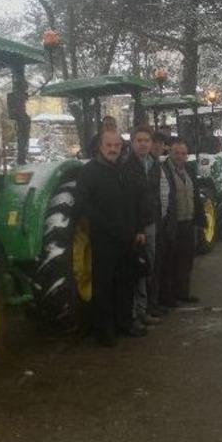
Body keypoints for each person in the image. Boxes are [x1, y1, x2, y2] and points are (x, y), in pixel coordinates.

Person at [76, 130, 147, 346]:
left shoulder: (124, 171)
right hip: (103, 239)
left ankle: (124, 323)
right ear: (100, 146)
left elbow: (135, 202)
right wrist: (105, 226)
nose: (113, 149)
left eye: (116, 145)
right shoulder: (90, 172)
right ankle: (105, 331)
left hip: (128, 238)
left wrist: (139, 229)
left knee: (125, 283)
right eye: (109, 145)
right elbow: (83, 204)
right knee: (104, 286)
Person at [122, 125, 163, 326]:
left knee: (148, 268)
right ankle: (134, 314)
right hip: (135, 228)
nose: (143, 144)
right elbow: (128, 202)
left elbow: (154, 196)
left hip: (151, 223)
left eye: (146, 140)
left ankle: (145, 309)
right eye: (139, 140)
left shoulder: (154, 164)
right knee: (136, 270)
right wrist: (137, 229)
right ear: (132, 143)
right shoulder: (126, 166)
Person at [159, 139, 205, 309]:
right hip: (172, 224)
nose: (180, 156)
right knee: (170, 260)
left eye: (183, 154)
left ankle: (183, 293)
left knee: (186, 260)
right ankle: (169, 297)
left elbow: (195, 194)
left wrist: (199, 219)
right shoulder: (163, 171)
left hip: (188, 221)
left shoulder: (189, 170)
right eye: (177, 153)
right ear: (170, 153)